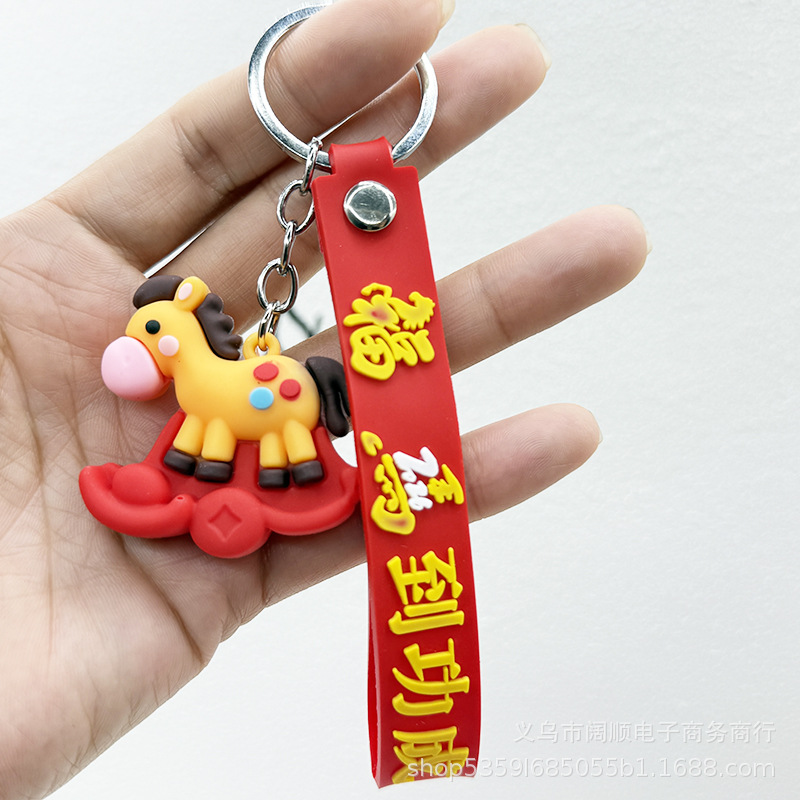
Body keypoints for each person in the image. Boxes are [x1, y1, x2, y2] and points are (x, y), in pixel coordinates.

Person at [0, 0, 649, 796]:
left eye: (158, 334)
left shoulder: (210, 380)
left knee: (272, 429)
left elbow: (208, 419)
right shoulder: (194, 381)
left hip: (277, 397)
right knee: (216, 427)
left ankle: (298, 471)